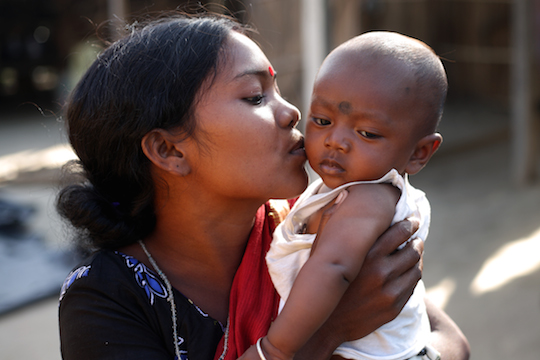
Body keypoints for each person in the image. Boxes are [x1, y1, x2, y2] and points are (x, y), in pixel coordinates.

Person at [56, 13, 469, 360]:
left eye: (277, 89)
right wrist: (330, 330)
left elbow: (450, 342)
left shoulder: (306, 223)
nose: (292, 112)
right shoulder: (105, 299)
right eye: (255, 96)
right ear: (168, 150)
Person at [257, 32, 449, 360]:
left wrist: (274, 349)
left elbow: (333, 267)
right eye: (322, 120)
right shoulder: (343, 191)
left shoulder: (370, 198)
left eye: (367, 133)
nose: (335, 141)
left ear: (419, 153)